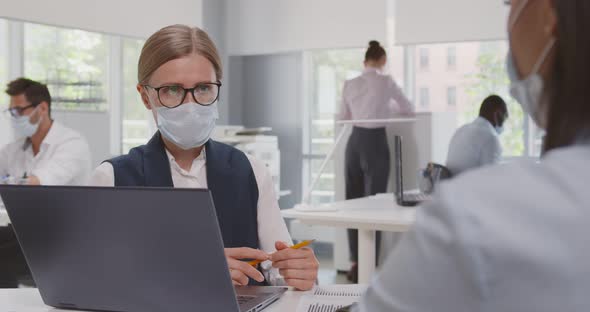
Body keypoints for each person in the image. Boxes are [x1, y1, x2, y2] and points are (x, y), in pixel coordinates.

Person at [354, 0, 590, 311]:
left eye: (510, 4)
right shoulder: (489, 183)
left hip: (363, 145)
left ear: (549, 16)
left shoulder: (475, 217)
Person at [89, 25, 319, 291]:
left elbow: (278, 267)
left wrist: (299, 271)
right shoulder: (112, 178)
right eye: (172, 90)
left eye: (203, 89)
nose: (191, 105)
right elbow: (96, 278)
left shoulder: (250, 171)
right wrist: (194, 269)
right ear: (145, 96)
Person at [0, 78, 92, 288]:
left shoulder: (71, 144)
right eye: (11, 112)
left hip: (61, 236)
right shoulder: (15, 149)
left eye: (18, 111)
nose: (14, 118)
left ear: (42, 108)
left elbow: (37, 184)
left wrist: (11, 182)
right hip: (25, 230)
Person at [338, 40, 414, 283]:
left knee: (353, 202)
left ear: (364, 62)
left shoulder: (350, 83)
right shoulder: (386, 81)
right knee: (377, 203)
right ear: (382, 60)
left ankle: (354, 262)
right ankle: (370, 264)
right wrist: (386, 106)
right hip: (375, 142)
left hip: (354, 141)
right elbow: (408, 108)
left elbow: (343, 117)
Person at [446, 95, 509, 176]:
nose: (504, 122)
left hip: (453, 186)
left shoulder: (461, 130)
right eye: (505, 116)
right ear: (497, 114)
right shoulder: (490, 138)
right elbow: (492, 178)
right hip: (470, 187)